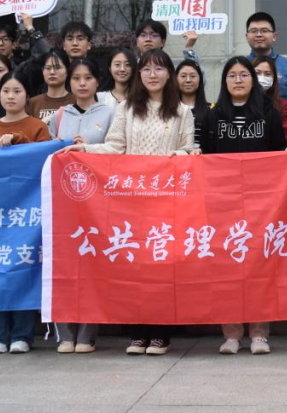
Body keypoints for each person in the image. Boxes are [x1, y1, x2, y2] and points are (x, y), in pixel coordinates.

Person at [63, 49, 194, 355]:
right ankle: (137, 333)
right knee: (134, 266)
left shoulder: (182, 111)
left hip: (166, 200)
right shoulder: (126, 108)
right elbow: (115, 147)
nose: (152, 75)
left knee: (162, 266)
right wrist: (86, 151)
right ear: (139, 74)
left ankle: (161, 334)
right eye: (146, 69)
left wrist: (179, 155)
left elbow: (189, 149)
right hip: (132, 199)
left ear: (169, 74)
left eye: (159, 69)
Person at [197, 57, 287, 355]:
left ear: (253, 80)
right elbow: (205, 157)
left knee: (260, 266)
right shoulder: (213, 116)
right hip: (222, 203)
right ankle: (232, 334)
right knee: (226, 268)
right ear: (224, 81)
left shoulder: (269, 113)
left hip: (262, 204)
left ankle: (260, 333)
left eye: (244, 75)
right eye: (232, 75)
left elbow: (278, 155)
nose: (238, 80)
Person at [48, 58, 114, 354]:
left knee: (93, 264)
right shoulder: (59, 115)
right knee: (64, 262)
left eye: (88, 77)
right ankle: (65, 333)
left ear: (98, 81)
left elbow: (117, 151)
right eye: (76, 78)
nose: (82, 83)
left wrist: (88, 148)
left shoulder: (110, 114)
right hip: (65, 201)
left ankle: (87, 333)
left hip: (98, 201)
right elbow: (47, 152)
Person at [0, 70, 51, 354]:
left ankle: (22, 335)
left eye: (17, 91)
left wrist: (19, 141)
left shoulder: (38, 126)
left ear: (27, 96)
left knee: (24, 269)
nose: (11, 96)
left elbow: (45, 159)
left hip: (27, 211)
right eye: (6, 91)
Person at [245, 11, 287, 103]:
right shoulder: (240, 66)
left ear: (274, 36)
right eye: (253, 31)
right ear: (247, 37)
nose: (259, 35)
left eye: (264, 31)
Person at [27, 49, 75, 122]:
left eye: (57, 68)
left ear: (67, 71)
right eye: (48, 68)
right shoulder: (32, 103)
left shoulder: (76, 102)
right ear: (43, 71)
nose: (52, 72)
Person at [253, 55, 287, 143]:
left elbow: (285, 137)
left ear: (274, 78)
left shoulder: (282, 105)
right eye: (257, 73)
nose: (262, 78)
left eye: (267, 74)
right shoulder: (243, 102)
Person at [136, 19, 203, 66]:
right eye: (143, 35)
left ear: (163, 42)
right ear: (137, 42)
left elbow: (195, 77)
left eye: (154, 35)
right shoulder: (132, 68)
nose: (148, 39)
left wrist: (189, 48)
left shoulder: (170, 68)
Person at [176, 58, 210, 150]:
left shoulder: (212, 109)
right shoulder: (168, 110)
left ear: (200, 80)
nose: (188, 80)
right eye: (183, 76)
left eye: (193, 76)